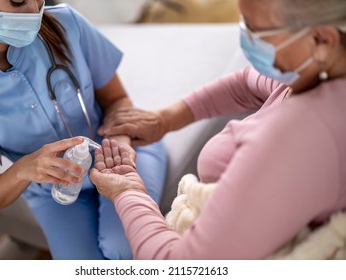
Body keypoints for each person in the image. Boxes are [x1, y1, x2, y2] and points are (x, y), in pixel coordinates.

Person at [91, 0, 346, 259]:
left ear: (322, 40)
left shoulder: (299, 135)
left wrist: (128, 191)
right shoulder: (307, 73)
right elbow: (246, 82)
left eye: (257, 31)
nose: (247, 40)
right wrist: (165, 119)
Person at [0, 0, 167, 260]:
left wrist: (118, 145)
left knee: (122, 248)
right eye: (18, 1)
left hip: (120, 153)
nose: (35, 11)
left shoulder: (66, 24)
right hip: (50, 188)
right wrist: (23, 169)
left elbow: (117, 100)